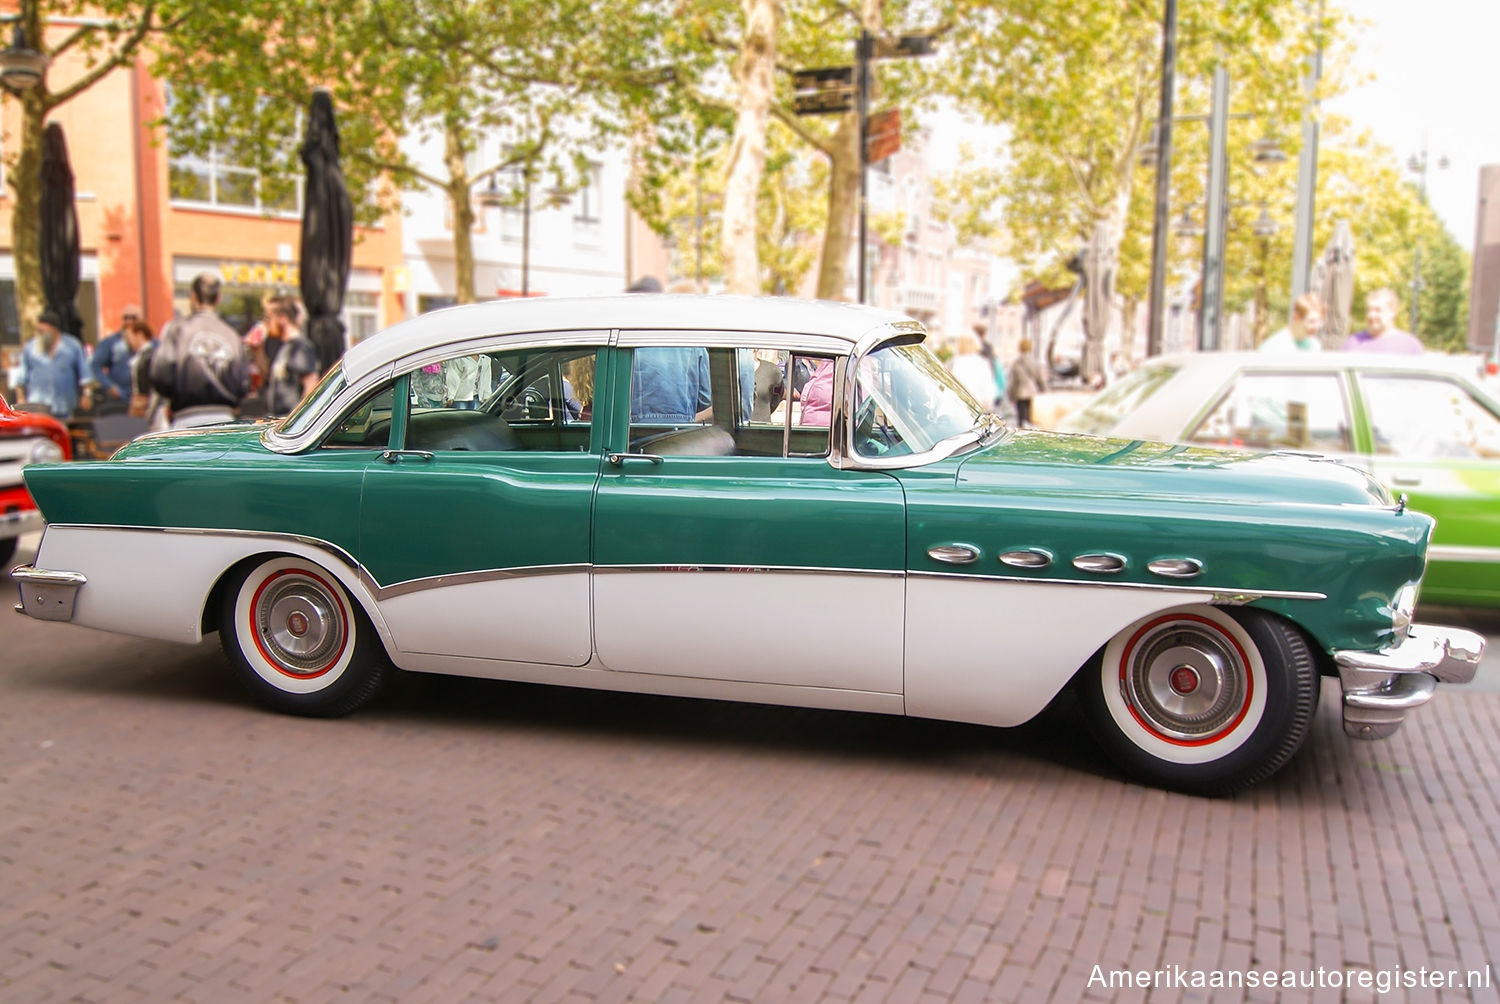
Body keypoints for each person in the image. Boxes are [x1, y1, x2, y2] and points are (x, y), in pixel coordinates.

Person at [148, 273, 251, 428]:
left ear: (193, 296)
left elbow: (160, 375)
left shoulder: (176, 330)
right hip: (226, 420)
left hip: (186, 418)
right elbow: (243, 382)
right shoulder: (231, 335)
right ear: (218, 299)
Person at [17, 309, 93, 419]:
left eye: (43, 332)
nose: (40, 335)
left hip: (64, 408)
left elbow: (85, 375)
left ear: (54, 329)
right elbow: (21, 379)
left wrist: (87, 395)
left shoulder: (72, 346)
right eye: (39, 332)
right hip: (38, 409)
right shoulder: (31, 347)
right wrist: (21, 401)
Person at [263, 296, 321, 416]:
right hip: (279, 421)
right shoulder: (284, 346)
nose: (266, 322)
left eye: (269, 318)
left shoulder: (299, 347)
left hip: (289, 422)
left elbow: (311, 388)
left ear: (283, 319)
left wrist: (297, 421)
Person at [90, 304, 143, 410]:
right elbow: (95, 365)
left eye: (133, 317)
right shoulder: (111, 342)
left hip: (143, 397)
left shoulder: (151, 343)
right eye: (125, 318)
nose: (129, 321)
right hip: (119, 396)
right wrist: (109, 386)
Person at [1342, 288, 1423, 354]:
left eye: (1377, 310)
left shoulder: (1409, 346)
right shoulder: (1353, 343)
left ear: (1393, 312)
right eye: (1369, 310)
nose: (1371, 315)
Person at [1260, 294, 1325, 353]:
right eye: (1311, 321)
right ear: (1296, 317)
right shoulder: (1275, 345)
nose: (1316, 326)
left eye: (1319, 321)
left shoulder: (1314, 345)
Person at [1007, 338, 1047, 428]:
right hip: (1031, 392)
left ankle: (1022, 429)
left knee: (1021, 418)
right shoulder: (1034, 362)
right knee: (1030, 416)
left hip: (1019, 393)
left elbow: (1013, 381)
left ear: (1020, 348)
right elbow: (1039, 378)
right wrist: (1044, 389)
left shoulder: (1016, 363)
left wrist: (1011, 396)